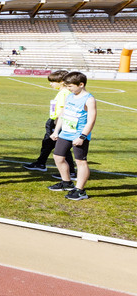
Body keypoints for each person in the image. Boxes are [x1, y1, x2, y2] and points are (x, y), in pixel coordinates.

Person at [48, 72, 97, 200]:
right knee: (58, 157)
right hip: (65, 133)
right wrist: (56, 131)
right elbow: (63, 114)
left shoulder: (89, 99)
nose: (68, 89)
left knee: (80, 161)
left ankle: (80, 190)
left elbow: (91, 120)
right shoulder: (69, 96)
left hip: (79, 134)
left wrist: (82, 137)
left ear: (81, 84)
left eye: (70, 86)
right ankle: (66, 182)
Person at [23, 70, 76, 179]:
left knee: (61, 146)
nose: (50, 84)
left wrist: (56, 126)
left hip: (58, 122)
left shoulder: (65, 93)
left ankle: (71, 171)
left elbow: (63, 111)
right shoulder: (62, 92)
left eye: (53, 81)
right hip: (53, 121)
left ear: (61, 82)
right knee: (47, 143)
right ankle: (41, 163)